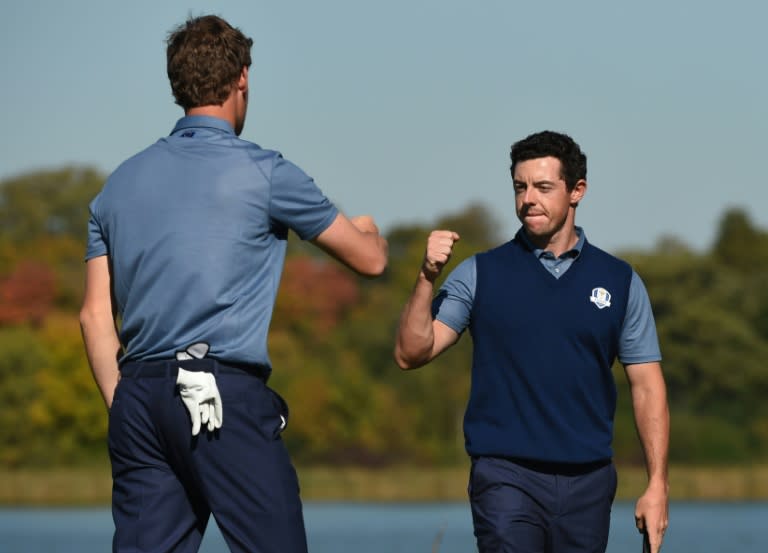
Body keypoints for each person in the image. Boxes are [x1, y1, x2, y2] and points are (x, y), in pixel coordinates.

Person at [79, 14, 388, 553]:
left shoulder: (117, 186)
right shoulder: (265, 172)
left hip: (138, 397)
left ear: (178, 84)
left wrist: (123, 403)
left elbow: (93, 316)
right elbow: (369, 262)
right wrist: (372, 233)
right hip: (218, 392)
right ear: (241, 78)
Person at [394, 130, 669, 553]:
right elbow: (412, 353)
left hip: (589, 482)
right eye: (520, 187)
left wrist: (656, 485)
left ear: (577, 191)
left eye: (543, 187)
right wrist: (426, 276)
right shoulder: (479, 274)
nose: (528, 199)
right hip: (505, 476)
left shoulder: (620, 281)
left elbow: (648, 385)